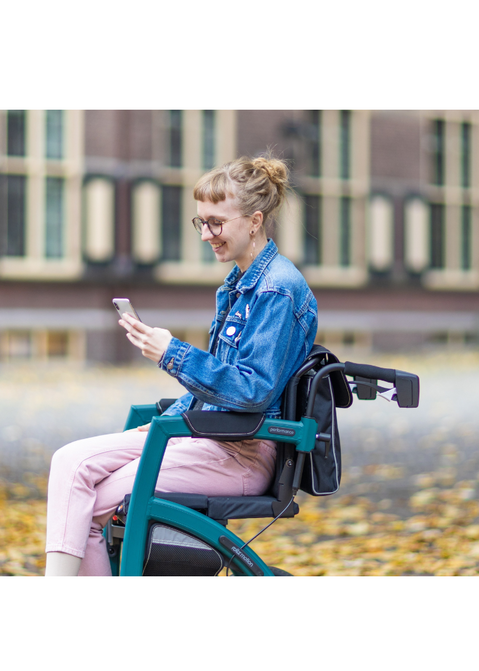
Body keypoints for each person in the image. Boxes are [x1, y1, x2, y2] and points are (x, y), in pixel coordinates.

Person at [44, 155, 318, 576]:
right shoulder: (236, 286)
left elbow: (252, 391)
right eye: (200, 223)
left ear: (254, 220)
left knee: (94, 504)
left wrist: (172, 353)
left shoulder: (278, 290)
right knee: (70, 462)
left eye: (216, 223)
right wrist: (166, 418)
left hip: (241, 453)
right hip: (206, 437)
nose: (207, 235)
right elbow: (214, 382)